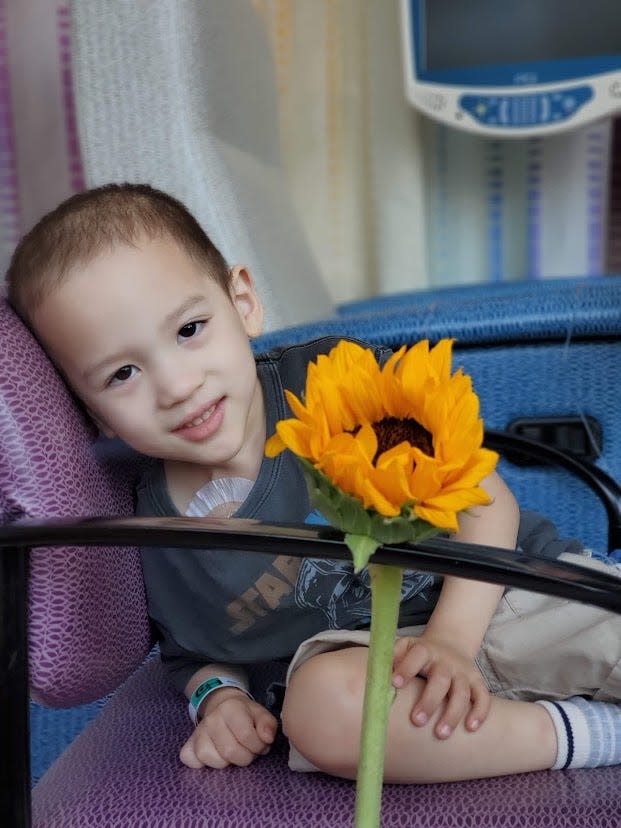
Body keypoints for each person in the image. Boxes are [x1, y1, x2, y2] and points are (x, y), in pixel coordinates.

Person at [7, 182, 621, 784]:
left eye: (189, 330)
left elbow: (487, 505)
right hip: (369, 674)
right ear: (88, 409)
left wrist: (452, 643)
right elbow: (193, 651)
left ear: (241, 301)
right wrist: (218, 701)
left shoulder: (333, 383)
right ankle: (588, 734)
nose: (175, 385)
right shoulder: (151, 527)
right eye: (122, 373)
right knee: (321, 714)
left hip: (500, 596)